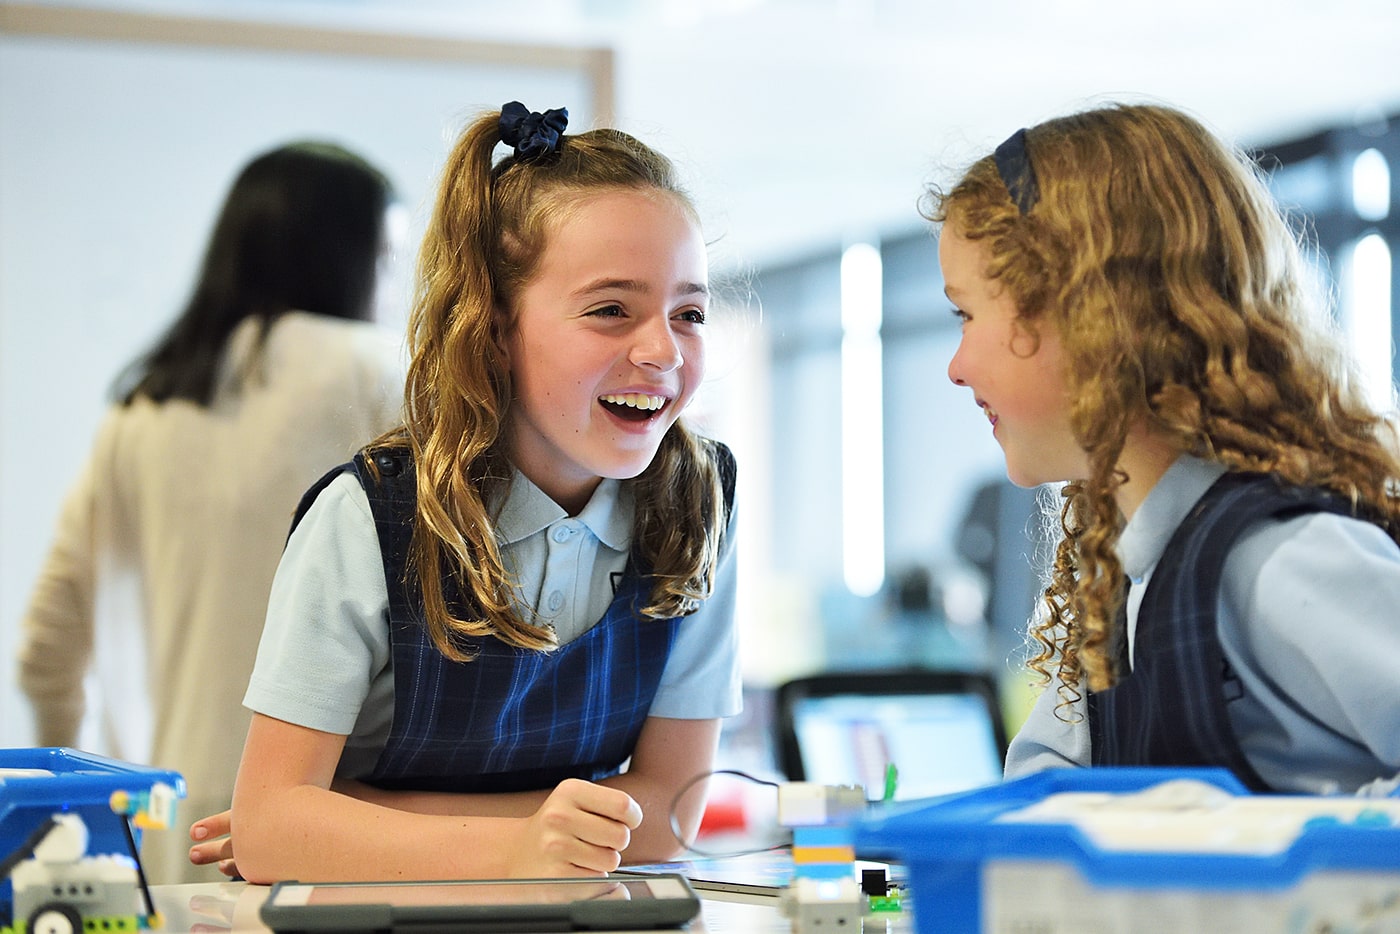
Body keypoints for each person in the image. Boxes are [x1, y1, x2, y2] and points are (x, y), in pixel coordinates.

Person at [186, 102, 740, 884]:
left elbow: (673, 810)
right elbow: (274, 827)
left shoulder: (698, 500)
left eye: (688, 312)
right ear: (493, 327)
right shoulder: (366, 518)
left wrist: (361, 813)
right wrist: (521, 842)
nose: (661, 350)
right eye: (610, 310)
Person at [936, 102, 1400, 796]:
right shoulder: (1120, 581)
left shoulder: (1278, 560)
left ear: (1087, 311)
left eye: (968, 315)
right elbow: (1039, 806)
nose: (956, 366)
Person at [16, 140, 407, 884]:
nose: (395, 287)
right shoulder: (381, 373)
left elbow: (45, 648)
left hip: (174, 828)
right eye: (388, 259)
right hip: (342, 822)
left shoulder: (143, 408)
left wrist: (68, 813)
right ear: (349, 258)